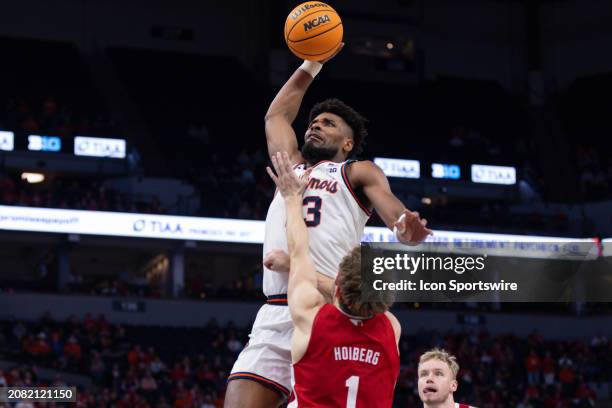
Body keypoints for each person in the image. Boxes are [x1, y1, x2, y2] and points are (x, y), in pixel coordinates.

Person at [225, 46, 432, 408]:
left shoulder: (357, 171)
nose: (316, 125)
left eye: (328, 124)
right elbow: (276, 117)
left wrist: (403, 227)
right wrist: (312, 63)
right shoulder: (290, 168)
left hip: (328, 311)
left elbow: (392, 210)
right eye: (314, 122)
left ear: (347, 143)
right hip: (276, 310)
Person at [269, 151, 401, 407]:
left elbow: (299, 250)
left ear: (338, 286)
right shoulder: (391, 328)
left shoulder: (311, 315)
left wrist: (291, 199)